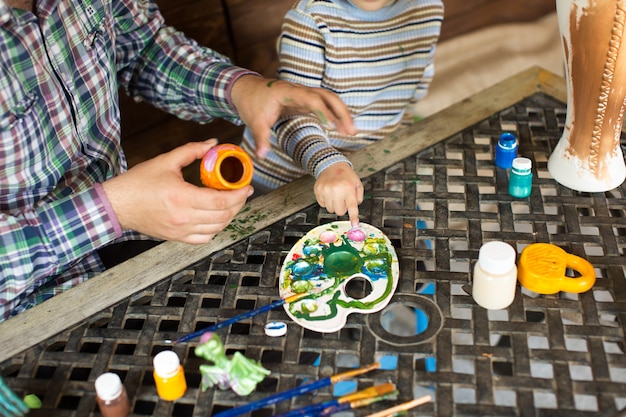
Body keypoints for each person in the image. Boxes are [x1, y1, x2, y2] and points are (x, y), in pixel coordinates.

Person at [0, 0, 355, 321]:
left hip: (122, 246)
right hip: (25, 309)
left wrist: (239, 89)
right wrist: (112, 209)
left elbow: (143, 47)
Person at [241, 0, 444, 226]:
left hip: (361, 171)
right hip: (280, 180)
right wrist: (328, 163)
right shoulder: (311, 16)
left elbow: (410, 98)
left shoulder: (428, 9)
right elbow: (288, 114)